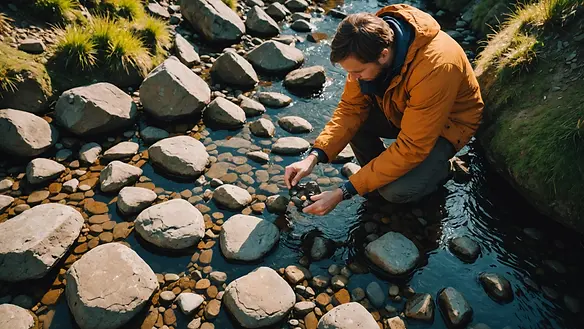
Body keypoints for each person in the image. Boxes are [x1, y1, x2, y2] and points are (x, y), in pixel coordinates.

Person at [284, 4, 484, 216]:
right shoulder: (366, 46)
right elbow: (350, 110)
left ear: (383, 55)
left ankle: (442, 170)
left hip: (447, 124)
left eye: (358, 71)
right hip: (403, 108)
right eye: (349, 72)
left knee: (396, 192)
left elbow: (413, 146)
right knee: (357, 126)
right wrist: (313, 156)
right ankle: (380, 176)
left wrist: (345, 190)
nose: (353, 77)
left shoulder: (436, 67)